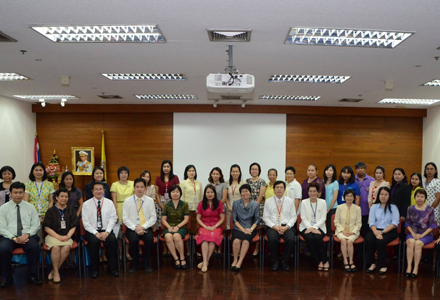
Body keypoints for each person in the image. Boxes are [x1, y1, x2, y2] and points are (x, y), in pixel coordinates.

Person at [0, 182, 42, 287]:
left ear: (23, 193)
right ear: (10, 193)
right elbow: (2, 227)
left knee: (34, 247)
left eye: (20, 192)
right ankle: (7, 277)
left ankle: (32, 275)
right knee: (3, 249)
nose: (18, 195)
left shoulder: (30, 207)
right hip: (9, 237)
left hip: (27, 236)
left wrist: (27, 235)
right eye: (15, 192)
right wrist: (13, 238)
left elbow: (36, 225)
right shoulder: (3, 208)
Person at [82, 182, 119, 278]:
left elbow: (113, 218)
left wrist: (107, 232)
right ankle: (94, 270)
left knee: (113, 240)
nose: (98, 191)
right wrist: (95, 233)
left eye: (100, 189)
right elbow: (85, 222)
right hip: (92, 231)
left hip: (106, 230)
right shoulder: (86, 204)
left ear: (104, 191)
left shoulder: (109, 203)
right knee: (94, 242)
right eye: (96, 189)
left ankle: (112, 268)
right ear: (92, 191)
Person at [43, 188, 79, 283]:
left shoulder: (71, 210)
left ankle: (54, 270)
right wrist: (58, 237)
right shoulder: (51, 211)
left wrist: (68, 236)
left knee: (67, 246)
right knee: (56, 247)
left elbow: (74, 226)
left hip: (66, 235)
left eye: (66, 196)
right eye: (62, 196)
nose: (64, 198)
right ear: (57, 198)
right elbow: (46, 228)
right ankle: (56, 272)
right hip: (52, 236)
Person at [122, 178, 156, 273]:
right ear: (134, 188)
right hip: (132, 228)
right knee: (134, 240)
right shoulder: (128, 201)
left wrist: (143, 227)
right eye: (137, 187)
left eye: (141, 187)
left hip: (145, 227)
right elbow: (125, 218)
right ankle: (135, 263)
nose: (139, 189)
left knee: (149, 239)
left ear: (145, 188)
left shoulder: (150, 201)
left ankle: (146, 263)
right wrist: (135, 228)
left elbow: (153, 218)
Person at [263, 181, 296, 271]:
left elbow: (293, 217)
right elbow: (265, 217)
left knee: (291, 239)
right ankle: (276, 261)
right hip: (273, 226)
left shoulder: (289, 201)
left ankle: (285, 261)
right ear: (274, 190)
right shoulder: (268, 202)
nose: (279, 189)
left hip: (286, 226)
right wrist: (275, 227)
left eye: (281, 187)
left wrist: (287, 227)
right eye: (277, 187)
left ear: (284, 189)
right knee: (272, 239)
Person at [366, 186, 399, 274]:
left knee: (380, 242)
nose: (383, 196)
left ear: (389, 196)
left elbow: (394, 223)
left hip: (389, 231)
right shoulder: (374, 207)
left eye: (386, 194)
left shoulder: (393, 207)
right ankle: (372, 263)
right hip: (375, 229)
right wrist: (376, 232)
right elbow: (371, 222)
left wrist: (382, 232)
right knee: (369, 240)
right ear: (378, 195)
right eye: (381, 194)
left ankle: (383, 265)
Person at [405, 189, 436, 278]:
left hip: (426, 234)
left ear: (425, 198)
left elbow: (431, 226)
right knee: (411, 242)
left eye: (422, 197)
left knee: (418, 243)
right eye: (418, 196)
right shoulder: (410, 208)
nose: (419, 198)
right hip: (413, 232)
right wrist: (413, 234)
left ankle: (416, 268)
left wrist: (421, 235)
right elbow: (407, 223)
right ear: (415, 197)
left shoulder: (430, 209)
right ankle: (409, 266)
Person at [299, 182, 329, 271]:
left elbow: (323, 217)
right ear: (308, 192)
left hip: (320, 227)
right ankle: (319, 261)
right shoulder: (304, 202)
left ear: (318, 192)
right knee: (310, 239)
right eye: (310, 191)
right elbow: (303, 217)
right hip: (305, 227)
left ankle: (325, 260)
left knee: (318, 238)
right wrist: (311, 228)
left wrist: (315, 227)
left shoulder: (323, 202)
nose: (312, 193)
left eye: (314, 191)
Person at [195, 185, 225, 272]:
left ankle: (205, 262)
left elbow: (222, 218)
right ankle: (205, 261)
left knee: (212, 239)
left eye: (211, 192)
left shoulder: (219, 204)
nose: (210, 194)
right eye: (208, 192)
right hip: (204, 226)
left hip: (216, 226)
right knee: (204, 238)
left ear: (214, 194)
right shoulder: (201, 204)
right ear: (205, 193)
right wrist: (205, 227)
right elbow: (198, 218)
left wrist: (214, 226)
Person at [230, 184, 259, 271]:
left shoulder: (255, 204)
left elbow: (257, 220)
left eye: (246, 191)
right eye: (243, 191)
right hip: (239, 227)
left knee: (246, 241)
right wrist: (243, 230)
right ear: (240, 193)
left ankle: (240, 261)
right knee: (236, 241)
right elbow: (234, 219)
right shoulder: (235, 203)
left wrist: (250, 229)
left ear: (250, 193)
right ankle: (235, 260)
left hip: (250, 228)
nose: (245, 193)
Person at [161, 185, 189, 269]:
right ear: (170, 193)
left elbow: (186, 219)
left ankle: (182, 257)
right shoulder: (167, 204)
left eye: (177, 192)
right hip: (169, 226)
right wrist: (169, 227)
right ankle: (176, 258)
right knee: (168, 236)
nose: (175, 194)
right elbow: (163, 219)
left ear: (180, 193)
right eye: (173, 192)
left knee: (176, 236)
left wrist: (178, 227)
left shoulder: (184, 204)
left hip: (181, 227)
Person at [334, 190, 362, 272]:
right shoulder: (339, 207)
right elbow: (336, 221)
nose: (349, 198)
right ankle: (345, 261)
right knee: (343, 240)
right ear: (344, 197)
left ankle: (351, 261)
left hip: (353, 231)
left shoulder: (357, 208)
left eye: (351, 196)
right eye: (347, 196)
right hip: (341, 231)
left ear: (354, 198)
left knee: (349, 241)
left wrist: (352, 232)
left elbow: (359, 223)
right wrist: (342, 231)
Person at [246, 162, 266, 257]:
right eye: (252, 169)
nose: (254, 171)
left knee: (258, 228)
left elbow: (261, 196)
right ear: (250, 170)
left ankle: (257, 248)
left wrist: (255, 205)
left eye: (256, 169)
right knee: (248, 226)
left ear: (259, 171)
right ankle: (247, 247)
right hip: (248, 206)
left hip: (258, 207)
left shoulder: (262, 181)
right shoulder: (247, 181)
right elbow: (245, 194)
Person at [207, 167, 228, 256]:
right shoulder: (209, 185)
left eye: (217, 174)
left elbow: (224, 198)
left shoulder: (223, 185)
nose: (215, 176)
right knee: (212, 227)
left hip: (220, 209)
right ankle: (213, 248)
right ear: (211, 175)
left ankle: (219, 249)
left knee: (220, 229)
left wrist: (216, 206)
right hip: (210, 210)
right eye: (214, 174)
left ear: (220, 175)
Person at [155, 160, 180, 228]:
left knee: (171, 218)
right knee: (161, 219)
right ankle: (162, 233)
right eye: (164, 167)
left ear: (171, 168)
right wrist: (160, 205)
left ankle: (171, 230)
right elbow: (157, 193)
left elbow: (178, 191)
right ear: (162, 168)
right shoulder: (158, 178)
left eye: (168, 167)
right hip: (161, 201)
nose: (166, 168)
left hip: (172, 200)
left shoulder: (175, 178)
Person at [180, 165, 203, 237]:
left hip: (197, 210)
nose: (191, 172)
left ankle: (196, 246)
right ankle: (189, 247)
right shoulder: (183, 183)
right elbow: (181, 197)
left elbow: (201, 196)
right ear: (186, 173)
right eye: (189, 171)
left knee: (197, 230)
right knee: (188, 231)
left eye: (193, 171)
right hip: (187, 210)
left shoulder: (199, 183)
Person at [354, 162, 374, 238]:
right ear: (355, 170)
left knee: (365, 232)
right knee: (356, 232)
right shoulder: (352, 179)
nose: (360, 170)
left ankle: (364, 249)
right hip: (354, 210)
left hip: (366, 210)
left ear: (365, 170)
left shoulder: (371, 180)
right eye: (358, 168)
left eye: (362, 168)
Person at [390, 168, 411, 237]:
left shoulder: (406, 186)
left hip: (400, 213)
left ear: (403, 176)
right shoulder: (393, 186)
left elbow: (406, 202)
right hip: (392, 212)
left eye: (399, 174)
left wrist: (403, 215)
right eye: (395, 174)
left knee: (400, 233)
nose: (397, 176)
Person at [226, 164, 246, 230]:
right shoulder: (227, 183)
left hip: (240, 208)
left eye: (237, 171)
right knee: (229, 227)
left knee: (239, 227)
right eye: (233, 171)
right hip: (229, 209)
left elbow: (245, 196)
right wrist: (228, 206)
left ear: (239, 172)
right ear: (230, 173)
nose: (235, 173)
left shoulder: (243, 183)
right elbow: (225, 196)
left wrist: (237, 206)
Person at [323, 164, 339, 234]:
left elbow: (334, 198)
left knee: (330, 228)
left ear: (333, 172)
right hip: (323, 208)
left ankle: (331, 244)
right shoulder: (322, 182)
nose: (328, 172)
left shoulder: (335, 183)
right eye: (327, 170)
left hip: (332, 208)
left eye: (331, 170)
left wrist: (328, 209)